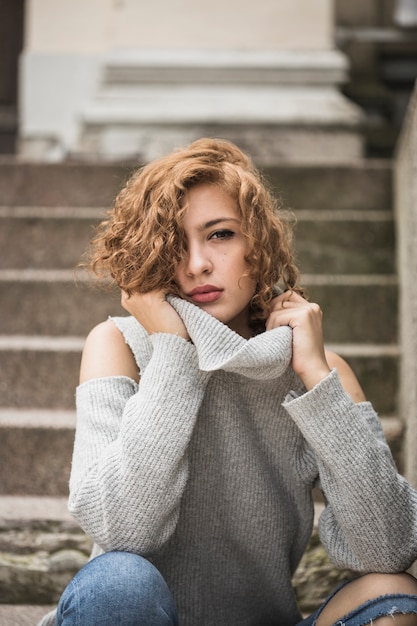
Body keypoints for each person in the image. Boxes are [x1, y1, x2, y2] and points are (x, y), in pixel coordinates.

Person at [39, 138, 417, 626]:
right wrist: (174, 353)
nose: (196, 264)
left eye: (219, 235)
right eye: (174, 245)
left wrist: (317, 377)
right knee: (119, 582)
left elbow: (389, 547)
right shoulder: (121, 345)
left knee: (392, 594)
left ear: (257, 245)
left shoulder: (317, 372)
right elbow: (121, 529)